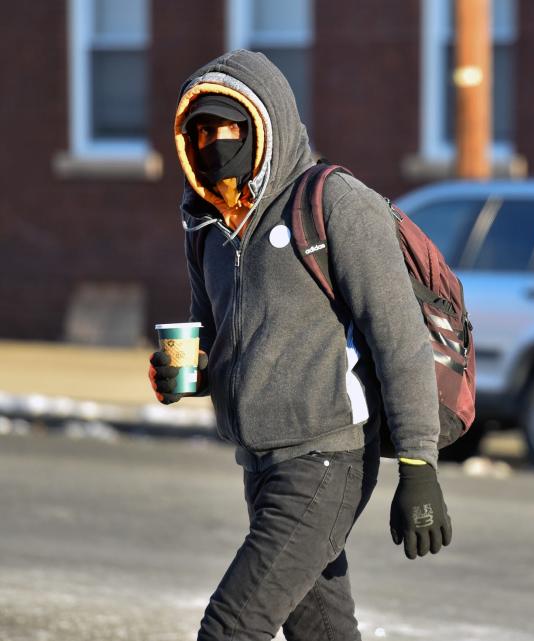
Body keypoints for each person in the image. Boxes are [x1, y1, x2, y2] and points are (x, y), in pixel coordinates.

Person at [147, 49, 452, 641]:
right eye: (200, 130)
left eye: (225, 127)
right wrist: (189, 371)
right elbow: (214, 334)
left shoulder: (334, 203)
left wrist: (419, 465)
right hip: (260, 464)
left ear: (265, 124)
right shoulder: (208, 226)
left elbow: (401, 341)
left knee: (232, 626)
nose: (212, 142)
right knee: (321, 631)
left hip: (326, 459)